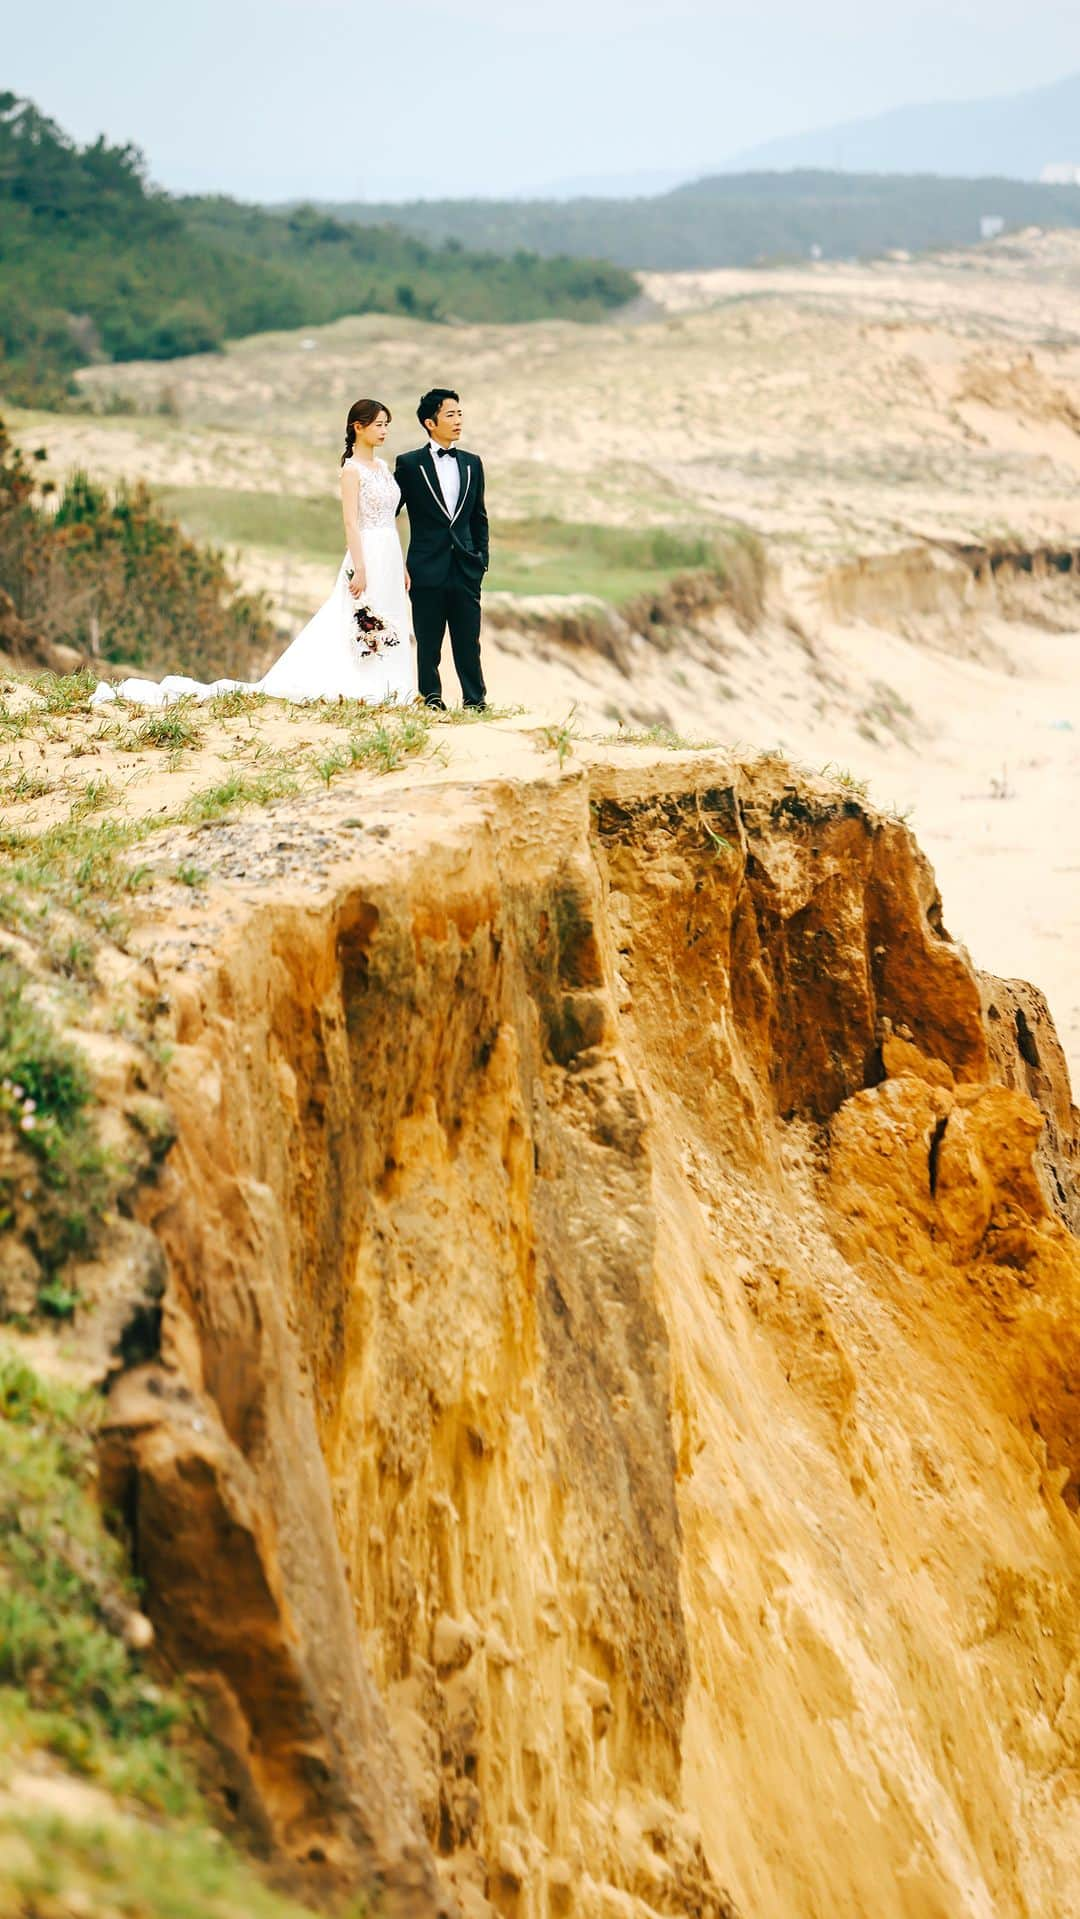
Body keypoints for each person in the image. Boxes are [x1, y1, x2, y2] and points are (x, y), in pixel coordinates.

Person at [91, 399, 416, 709]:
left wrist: (400, 564)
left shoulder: (383, 467)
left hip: (388, 551)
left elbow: (391, 519)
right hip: (366, 552)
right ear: (358, 428)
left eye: (386, 425)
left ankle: (393, 686)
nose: (384, 431)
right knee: (359, 616)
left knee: (390, 614)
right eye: (378, 424)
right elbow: (350, 521)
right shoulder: (351, 470)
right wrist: (359, 567)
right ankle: (364, 684)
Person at [393, 388, 489, 710]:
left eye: (460, 414)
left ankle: (475, 701)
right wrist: (394, 559)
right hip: (425, 567)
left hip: (465, 568)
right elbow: (388, 512)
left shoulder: (473, 464)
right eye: (451, 414)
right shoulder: (409, 464)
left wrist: (481, 561)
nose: (458, 420)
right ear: (429, 422)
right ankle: (430, 699)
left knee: (468, 642)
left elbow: (479, 517)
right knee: (428, 641)